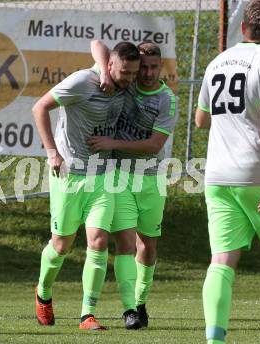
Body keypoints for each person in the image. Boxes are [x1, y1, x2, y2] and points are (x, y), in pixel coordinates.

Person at [32, 42, 140, 330]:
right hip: (69, 175)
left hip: (102, 175)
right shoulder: (82, 81)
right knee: (61, 245)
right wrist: (52, 152)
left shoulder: (124, 85)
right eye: (125, 73)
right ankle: (43, 292)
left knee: (99, 241)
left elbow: (100, 45)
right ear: (110, 66)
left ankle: (87, 314)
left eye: (133, 73)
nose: (130, 79)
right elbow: (39, 107)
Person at [87, 40, 178, 329]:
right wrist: (104, 71)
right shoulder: (125, 81)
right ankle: (130, 311)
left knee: (147, 245)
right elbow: (97, 44)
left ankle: (141, 301)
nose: (148, 73)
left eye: (154, 67)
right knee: (126, 242)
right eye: (144, 68)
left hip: (151, 177)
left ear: (160, 66)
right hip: (119, 174)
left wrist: (112, 142)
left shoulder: (167, 99)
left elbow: (154, 145)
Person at [195, 1, 260, 342]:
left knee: (221, 261)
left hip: (219, 174)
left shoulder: (216, 62)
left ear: (243, 28)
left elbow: (200, 120)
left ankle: (214, 339)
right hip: (257, 174)